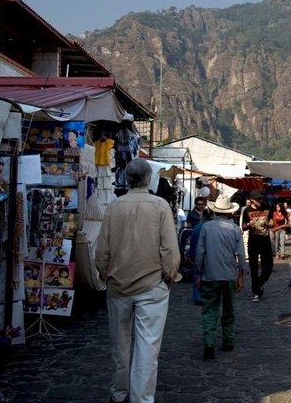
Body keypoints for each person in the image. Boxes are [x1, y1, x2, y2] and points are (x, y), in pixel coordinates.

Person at [95, 158, 181, 403]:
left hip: (118, 284)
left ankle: (119, 393)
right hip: (152, 284)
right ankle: (141, 398)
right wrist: (169, 276)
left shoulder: (114, 206)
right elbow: (170, 249)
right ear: (148, 179)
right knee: (147, 346)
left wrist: (104, 275)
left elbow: (102, 250)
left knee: (119, 344)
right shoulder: (160, 206)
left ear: (127, 179)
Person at [196, 194, 246, 360]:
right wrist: (241, 275)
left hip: (210, 274)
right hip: (229, 274)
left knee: (209, 309)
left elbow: (200, 253)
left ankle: (209, 342)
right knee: (229, 309)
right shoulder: (235, 229)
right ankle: (228, 340)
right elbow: (240, 254)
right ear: (229, 212)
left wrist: (198, 272)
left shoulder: (206, 227)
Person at [241, 189, 273, 302]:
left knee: (268, 267)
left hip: (265, 240)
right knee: (253, 268)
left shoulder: (268, 208)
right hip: (253, 241)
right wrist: (249, 225)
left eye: (261, 198)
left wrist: (267, 224)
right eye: (258, 199)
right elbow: (243, 227)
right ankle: (256, 292)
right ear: (252, 200)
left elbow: (272, 223)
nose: (260, 200)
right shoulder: (247, 211)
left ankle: (258, 284)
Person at [189, 207, 213, 306]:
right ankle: (208, 295)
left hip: (197, 253)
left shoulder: (198, 227)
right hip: (210, 254)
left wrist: (191, 254)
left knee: (196, 274)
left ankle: (198, 297)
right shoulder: (212, 226)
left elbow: (192, 242)